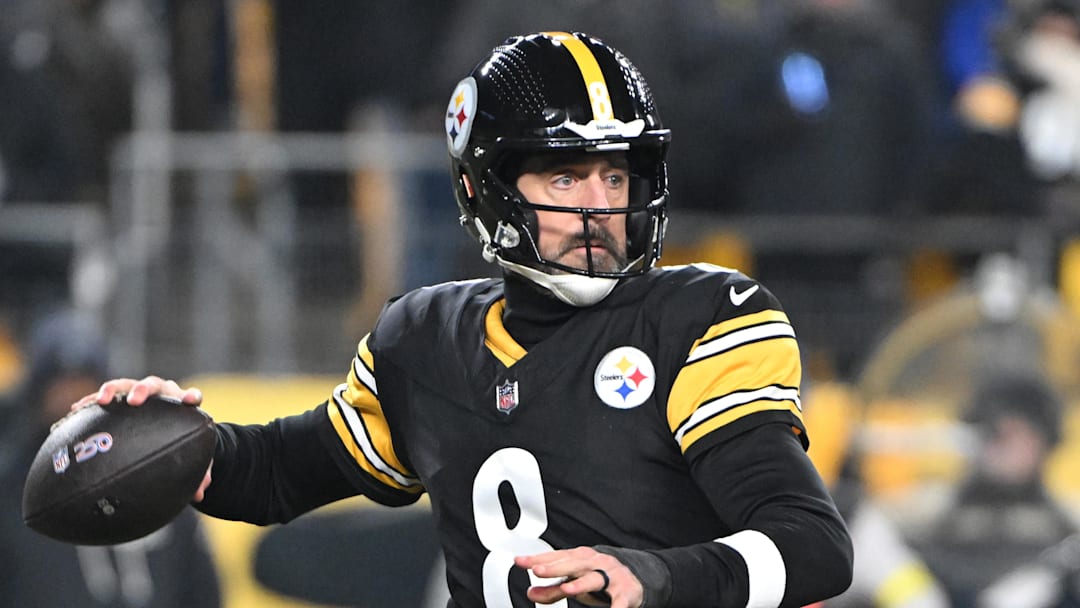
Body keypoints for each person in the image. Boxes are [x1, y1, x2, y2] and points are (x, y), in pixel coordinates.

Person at [79, 32, 853, 607]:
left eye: (615, 174)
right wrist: (183, 449)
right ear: (486, 189)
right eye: (564, 174)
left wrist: (655, 575)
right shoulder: (424, 340)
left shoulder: (702, 321)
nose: (599, 206)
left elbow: (812, 543)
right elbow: (284, 473)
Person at [0, 309, 221, 608]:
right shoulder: (10, 492)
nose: (72, 398)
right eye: (60, 386)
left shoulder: (155, 472)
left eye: (85, 383)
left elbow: (201, 589)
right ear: (36, 395)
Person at [914, 372, 1079, 608]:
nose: (1006, 449)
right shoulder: (931, 514)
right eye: (996, 435)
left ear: (1045, 443)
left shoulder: (1066, 524)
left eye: (1022, 435)